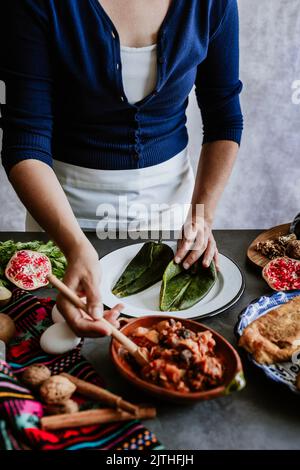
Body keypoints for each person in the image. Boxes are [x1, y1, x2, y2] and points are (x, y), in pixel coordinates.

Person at [0, 0, 243, 337]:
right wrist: (74, 246)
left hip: (172, 219)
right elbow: (25, 141)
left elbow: (224, 119)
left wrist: (202, 215)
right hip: (66, 220)